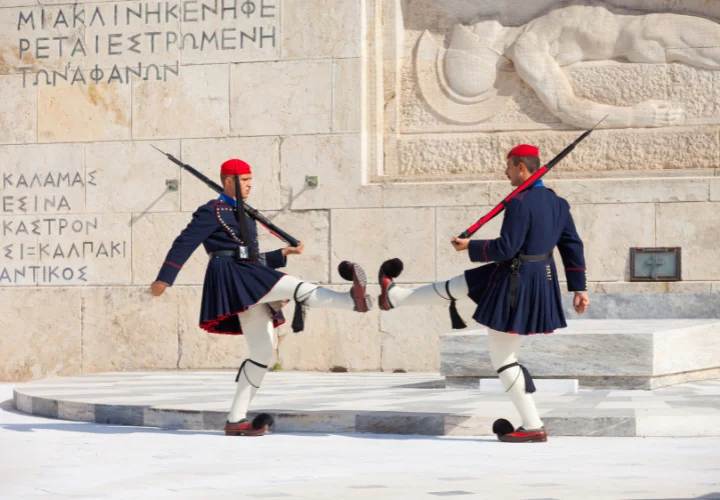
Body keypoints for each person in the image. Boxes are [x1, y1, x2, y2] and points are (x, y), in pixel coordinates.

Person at [377, 144, 590, 443]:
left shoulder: (520, 202)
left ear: (520, 166)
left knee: (504, 357)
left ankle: (532, 426)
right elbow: (572, 246)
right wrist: (579, 288)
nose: (505, 172)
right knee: (464, 283)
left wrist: (471, 246)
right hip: (539, 277)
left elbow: (507, 248)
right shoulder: (558, 203)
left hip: (518, 280)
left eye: (507, 167)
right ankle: (396, 297)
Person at [150, 158, 372, 437]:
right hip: (231, 275)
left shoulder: (244, 213)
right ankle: (351, 299)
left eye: (250, 179)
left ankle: (236, 420)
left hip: (247, 271)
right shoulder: (211, 211)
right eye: (244, 180)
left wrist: (283, 254)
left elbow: (249, 255)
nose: (250, 184)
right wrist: (164, 279)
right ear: (228, 181)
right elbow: (184, 242)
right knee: (294, 286)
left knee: (262, 351)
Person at [419, 4, 720, 128]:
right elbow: (566, 107)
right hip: (646, 35)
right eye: (474, 32)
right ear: (487, 48)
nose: (477, 21)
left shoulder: (533, 26)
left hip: (643, 27)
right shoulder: (527, 50)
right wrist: (634, 116)